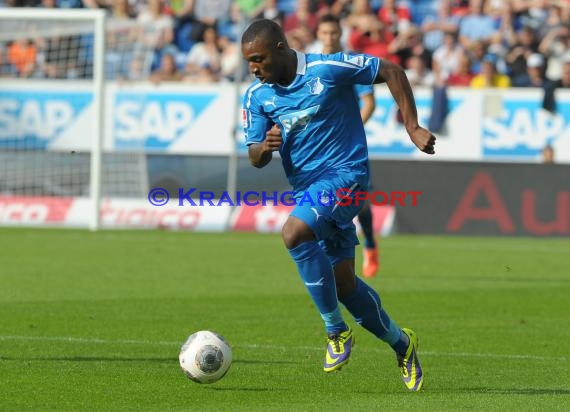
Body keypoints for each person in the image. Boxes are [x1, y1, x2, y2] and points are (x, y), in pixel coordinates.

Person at [240, 19, 436, 391]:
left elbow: (392, 70)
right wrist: (263, 148)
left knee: (293, 232)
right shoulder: (257, 96)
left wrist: (412, 127)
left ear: (280, 49)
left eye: (258, 59)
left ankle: (336, 332)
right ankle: (403, 345)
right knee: (344, 284)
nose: (253, 68)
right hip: (309, 193)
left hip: (347, 177)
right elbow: (253, 155)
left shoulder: (326, 69)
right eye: (249, 61)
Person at [316, 14, 379, 278]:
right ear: (318, 35)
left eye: (333, 33)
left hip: (348, 147)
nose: (329, 38)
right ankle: (327, 252)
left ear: (339, 34)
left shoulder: (351, 64)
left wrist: (350, 130)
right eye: (324, 33)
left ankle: (371, 245)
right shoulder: (312, 65)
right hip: (320, 148)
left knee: (360, 201)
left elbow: (369, 103)